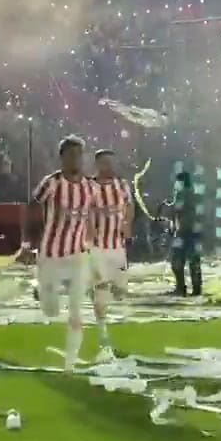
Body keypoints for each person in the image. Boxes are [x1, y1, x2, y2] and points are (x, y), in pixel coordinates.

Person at [32, 135, 94, 371]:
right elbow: (31, 207)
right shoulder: (52, 183)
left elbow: (89, 215)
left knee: (77, 311)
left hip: (77, 256)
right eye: (70, 155)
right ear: (62, 158)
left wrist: (92, 242)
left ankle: (70, 364)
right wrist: (28, 243)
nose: (76, 159)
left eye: (79, 154)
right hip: (50, 255)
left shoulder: (90, 187)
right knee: (51, 311)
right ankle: (41, 291)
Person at [89, 148, 133, 357]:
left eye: (112, 162)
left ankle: (104, 305)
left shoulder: (122, 185)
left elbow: (130, 205)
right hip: (96, 247)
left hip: (117, 245)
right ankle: (102, 331)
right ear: (98, 164)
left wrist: (127, 222)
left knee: (121, 291)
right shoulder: (89, 186)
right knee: (101, 289)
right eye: (106, 162)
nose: (110, 166)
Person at [168, 172, 202, 297]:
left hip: (185, 232)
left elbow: (178, 211)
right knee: (193, 261)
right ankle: (195, 289)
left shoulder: (183, 194)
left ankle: (181, 288)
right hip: (193, 232)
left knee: (177, 261)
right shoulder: (192, 194)